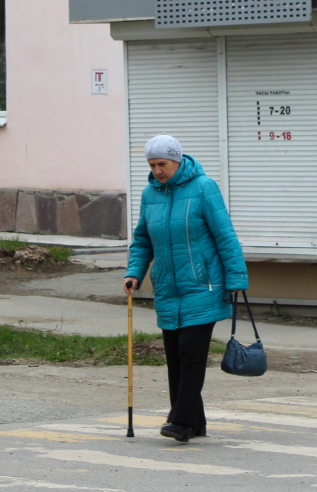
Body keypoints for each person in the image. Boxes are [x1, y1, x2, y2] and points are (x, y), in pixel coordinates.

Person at [123, 134, 248, 443]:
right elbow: (143, 240)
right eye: (152, 165)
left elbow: (225, 236)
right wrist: (134, 272)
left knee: (190, 354)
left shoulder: (204, 188)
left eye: (162, 164)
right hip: (167, 288)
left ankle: (179, 421)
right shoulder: (150, 195)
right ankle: (196, 423)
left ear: (177, 161)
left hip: (202, 286)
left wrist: (236, 279)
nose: (157, 171)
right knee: (175, 358)